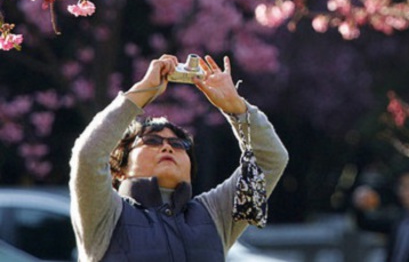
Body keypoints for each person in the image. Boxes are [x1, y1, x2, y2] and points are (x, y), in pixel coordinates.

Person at [69, 53, 289, 262]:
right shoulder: (105, 214)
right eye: (153, 141)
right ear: (120, 169)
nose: (167, 148)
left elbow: (270, 160)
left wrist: (237, 109)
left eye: (178, 144)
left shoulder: (215, 213)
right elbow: (88, 156)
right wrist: (143, 91)